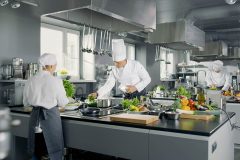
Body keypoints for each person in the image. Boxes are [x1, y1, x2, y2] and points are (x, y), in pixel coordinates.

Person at [23, 53, 69, 160]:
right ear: (51, 66)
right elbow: (63, 102)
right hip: (50, 118)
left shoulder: (30, 80)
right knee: (52, 151)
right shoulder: (56, 81)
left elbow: (25, 102)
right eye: (55, 65)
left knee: (37, 150)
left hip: (34, 118)